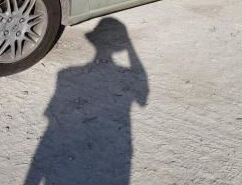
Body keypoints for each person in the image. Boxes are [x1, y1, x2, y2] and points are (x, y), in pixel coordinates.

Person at [24, 18, 149, 185]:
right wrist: (129, 48)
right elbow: (143, 98)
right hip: (113, 158)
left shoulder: (65, 74)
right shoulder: (123, 74)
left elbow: (51, 124)